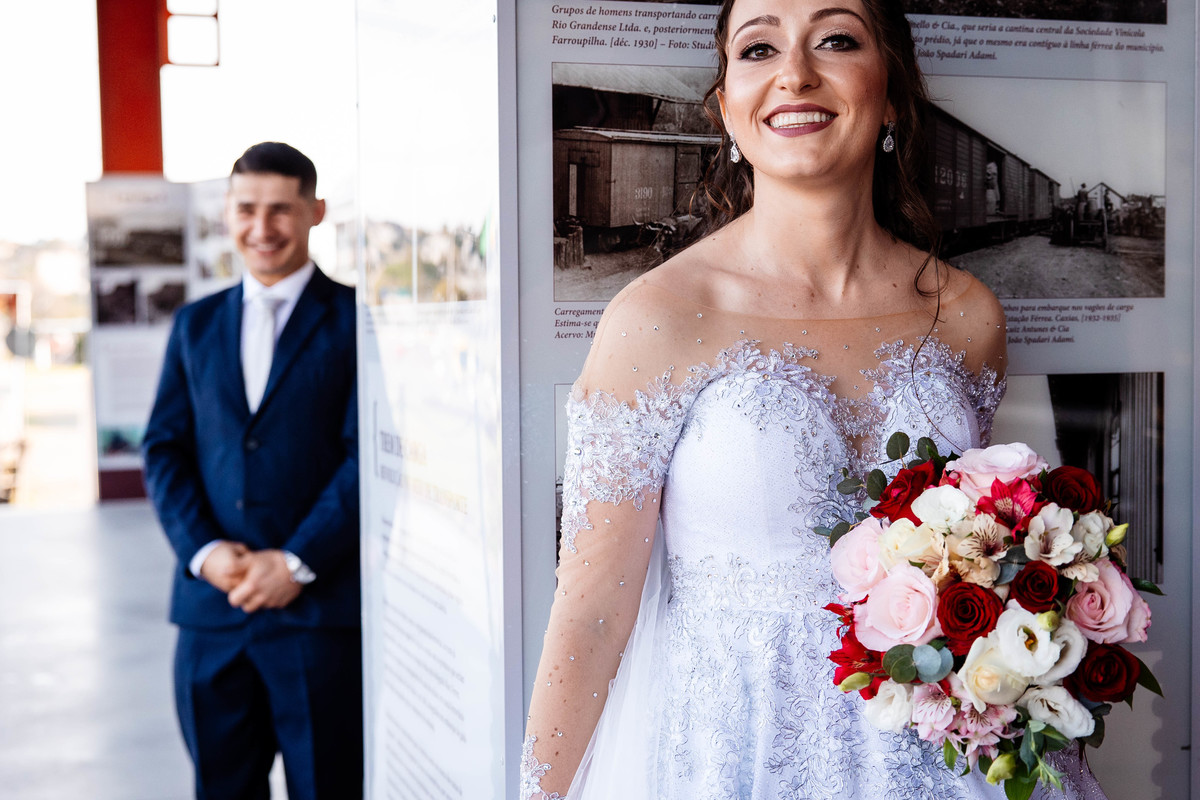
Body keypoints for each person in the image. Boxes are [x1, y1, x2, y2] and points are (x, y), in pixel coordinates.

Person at [521, 1, 1108, 798]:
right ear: (726, 105)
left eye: (835, 40)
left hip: (937, 762)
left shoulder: (967, 314)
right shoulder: (655, 318)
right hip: (736, 755)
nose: (794, 73)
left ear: (892, 95)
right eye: (759, 49)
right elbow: (590, 612)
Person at [144, 142, 361, 800]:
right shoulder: (195, 324)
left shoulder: (358, 320)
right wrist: (204, 552)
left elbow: (367, 457)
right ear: (226, 211)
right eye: (246, 209)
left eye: (280, 209)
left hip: (317, 615)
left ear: (316, 211)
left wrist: (296, 562)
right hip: (212, 612)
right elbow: (164, 449)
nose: (261, 228)